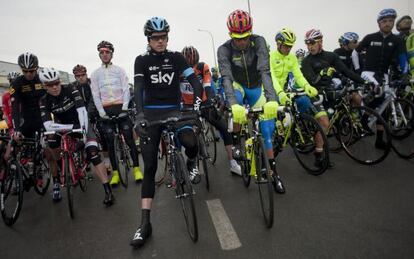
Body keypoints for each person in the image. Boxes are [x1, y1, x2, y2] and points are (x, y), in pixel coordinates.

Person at [130, 17, 203, 248]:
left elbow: (194, 80)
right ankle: (145, 223)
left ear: (168, 38)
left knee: (191, 140)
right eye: (155, 38)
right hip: (151, 115)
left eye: (163, 38)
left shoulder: (177, 58)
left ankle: (191, 163)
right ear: (149, 39)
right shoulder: (141, 61)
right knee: (150, 166)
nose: (160, 42)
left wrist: (198, 104)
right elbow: (140, 88)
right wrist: (140, 115)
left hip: (175, 110)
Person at [217, 9, 285, 193]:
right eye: (236, 38)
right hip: (238, 86)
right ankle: (238, 143)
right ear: (230, 34)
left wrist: (272, 99)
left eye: (245, 37)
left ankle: (273, 173)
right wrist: (233, 105)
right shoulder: (224, 49)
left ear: (251, 31)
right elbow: (226, 78)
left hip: (256, 87)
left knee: (267, 131)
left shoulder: (259, 42)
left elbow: (265, 71)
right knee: (237, 106)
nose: (241, 42)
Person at [39, 67, 114, 206]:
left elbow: (82, 111)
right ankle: (63, 170)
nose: (55, 87)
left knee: (93, 154)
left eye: (56, 83)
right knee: (52, 145)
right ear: (44, 86)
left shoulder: (70, 89)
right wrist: (67, 128)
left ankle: (107, 190)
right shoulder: (44, 100)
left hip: (81, 122)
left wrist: (84, 129)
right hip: (61, 126)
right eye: (50, 85)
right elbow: (48, 125)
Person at [269, 28, 331, 167]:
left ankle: (297, 128)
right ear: (278, 44)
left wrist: (307, 86)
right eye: (286, 46)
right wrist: (280, 93)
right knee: (273, 117)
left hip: (284, 89)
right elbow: (271, 78)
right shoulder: (270, 57)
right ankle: (276, 137)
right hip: (270, 89)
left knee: (303, 100)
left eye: (291, 46)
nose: (288, 49)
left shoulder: (291, 58)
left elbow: (298, 75)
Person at [180, 46, 241, 175]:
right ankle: (182, 164)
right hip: (187, 106)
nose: (192, 68)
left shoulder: (203, 67)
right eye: (188, 65)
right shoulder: (179, 71)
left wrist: (211, 100)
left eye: (194, 65)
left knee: (224, 128)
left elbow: (207, 86)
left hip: (203, 102)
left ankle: (233, 163)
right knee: (184, 134)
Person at [90, 41, 143, 185]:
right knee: (110, 143)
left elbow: (126, 89)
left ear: (111, 54)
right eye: (102, 52)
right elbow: (95, 95)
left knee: (129, 139)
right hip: (105, 110)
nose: (105, 55)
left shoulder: (119, 70)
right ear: (99, 55)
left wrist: (125, 108)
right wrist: (101, 112)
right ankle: (115, 174)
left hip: (121, 108)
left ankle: (137, 169)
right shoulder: (95, 74)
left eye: (107, 52)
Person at [355, 9, 409, 148]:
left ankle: (379, 140)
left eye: (391, 21)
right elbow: (355, 52)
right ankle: (364, 119)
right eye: (384, 21)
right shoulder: (370, 37)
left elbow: (403, 58)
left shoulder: (397, 40)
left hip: (383, 74)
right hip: (368, 73)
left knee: (384, 105)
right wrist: (358, 70)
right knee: (379, 91)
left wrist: (404, 74)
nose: (388, 24)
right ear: (379, 23)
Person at [10, 52, 58, 201]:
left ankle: (55, 184)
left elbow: (53, 100)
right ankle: (17, 175)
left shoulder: (41, 79)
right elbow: (14, 108)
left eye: (32, 71)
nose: (29, 74)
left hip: (43, 120)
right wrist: (16, 129)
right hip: (26, 120)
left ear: (36, 68)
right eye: (25, 71)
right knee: (13, 146)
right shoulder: (17, 83)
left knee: (49, 152)